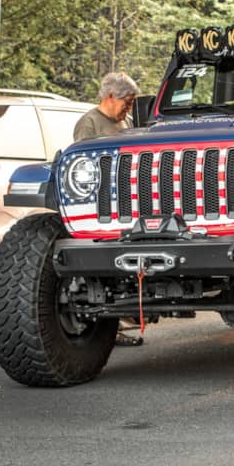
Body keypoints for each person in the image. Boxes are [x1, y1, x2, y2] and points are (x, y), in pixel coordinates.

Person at [73, 72, 144, 346]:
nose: (129, 107)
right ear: (111, 96)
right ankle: (112, 330)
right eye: (127, 100)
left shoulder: (126, 122)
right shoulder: (88, 124)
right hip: (104, 203)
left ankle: (128, 320)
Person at [73, 71, 140, 141]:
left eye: (132, 103)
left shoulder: (127, 121)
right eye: (127, 102)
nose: (130, 108)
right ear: (111, 96)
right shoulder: (88, 124)